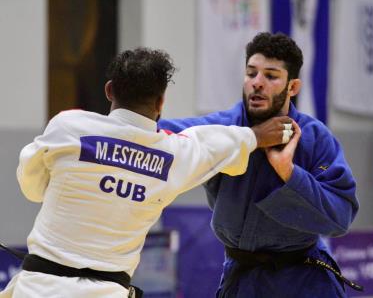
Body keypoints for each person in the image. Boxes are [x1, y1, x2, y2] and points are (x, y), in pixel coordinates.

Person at [0, 47, 296, 298]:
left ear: (109, 90)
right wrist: (257, 135)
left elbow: (32, 188)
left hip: (37, 288)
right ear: (160, 103)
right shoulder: (175, 154)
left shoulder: (69, 125)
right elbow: (219, 142)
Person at [158, 32, 360, 297]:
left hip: (305, 281)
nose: (257, 83)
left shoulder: (314, 138)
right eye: (251, 73)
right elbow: (161, 134)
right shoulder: (224, 129)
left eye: (271, 76)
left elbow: (340, 217)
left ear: (293, 87)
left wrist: (289, 173)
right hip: (243, 279)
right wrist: (109, 126)